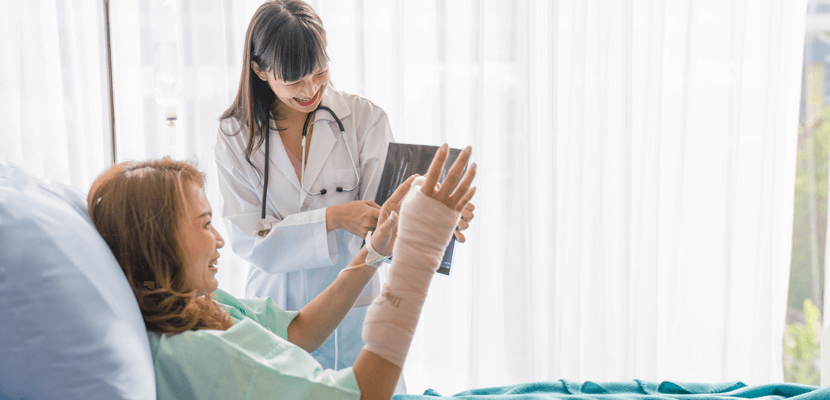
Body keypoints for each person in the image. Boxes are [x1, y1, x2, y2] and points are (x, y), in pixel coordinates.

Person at [87, 145, 476, 400]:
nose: (220, 240)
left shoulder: (201, 305)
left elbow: (300, 330)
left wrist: (375, 250)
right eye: (205, 223)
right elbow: (364, 394)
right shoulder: (196, 354)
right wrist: (417, 254)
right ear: (160, 242)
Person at [214, 0, 476, 374]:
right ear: (259, 69)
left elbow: (384, 225)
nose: (311, 89)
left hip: (356, 311)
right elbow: (249, 238)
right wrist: (334, 218)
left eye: (320, 72)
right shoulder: (235, 135)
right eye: (294, 81)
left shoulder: (365, 120)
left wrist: (435, 217)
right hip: (277, 313)